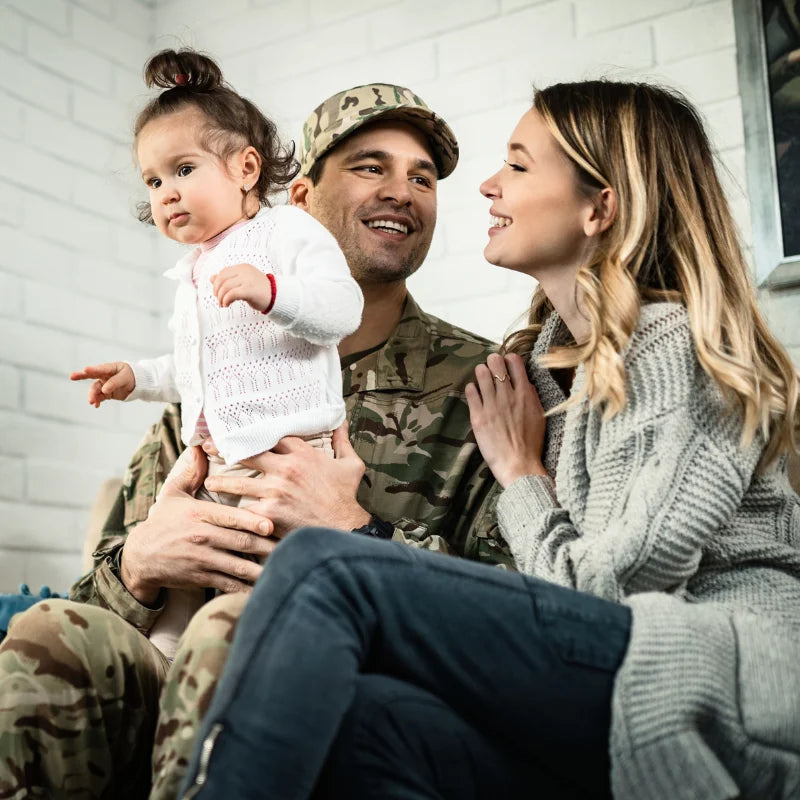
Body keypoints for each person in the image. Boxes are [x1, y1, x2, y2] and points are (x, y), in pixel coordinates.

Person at [178, 80, 800, 800]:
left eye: (519, 165)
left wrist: (521, 475)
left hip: (724, 678)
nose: (485, 184)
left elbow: (610, 592)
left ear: (599, 206)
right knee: (364, 724)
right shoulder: (541, 370)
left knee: (326, 569)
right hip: (614, 687)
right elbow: (545, 613)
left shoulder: (670, 348)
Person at [0, 79, 509, 800]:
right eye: (370, 166)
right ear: (297, 198)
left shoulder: (480, 385)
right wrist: (143, 562)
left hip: (347, 696)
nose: (403, 190)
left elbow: (517, 627)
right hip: (165, 677)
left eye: (421, 176)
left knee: (242, 635)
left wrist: (356, 533)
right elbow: (100, 596)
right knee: (49, 631)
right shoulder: (209, 379)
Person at [70, 48, 364, 661]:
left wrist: (273, 293)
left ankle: (260, 655)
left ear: (246, 167)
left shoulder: (287, 233)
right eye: (153, 181)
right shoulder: (196, 268)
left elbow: (343, 311)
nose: (166, 193)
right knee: (185, 560)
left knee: (264, 574)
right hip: (216, 460)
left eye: (182, 169)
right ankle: (169, 656)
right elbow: (195, 366)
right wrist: (138, 376)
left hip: (289, 458)